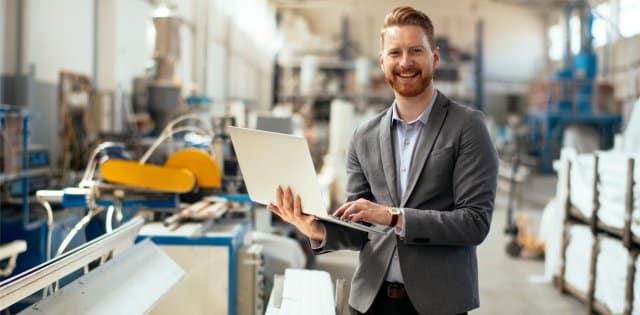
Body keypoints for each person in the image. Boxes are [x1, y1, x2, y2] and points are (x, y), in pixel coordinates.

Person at [267, 6, 498, 315]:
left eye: (416, 50)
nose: (405, 62)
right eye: (395, 53)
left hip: (439, 304)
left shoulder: (467, 126)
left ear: (435, 57)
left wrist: (394, 216)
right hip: (371, 302)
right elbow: (360, 227)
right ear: (382, 62)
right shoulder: (364, 135)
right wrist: (315, 229)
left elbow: (474, 223)